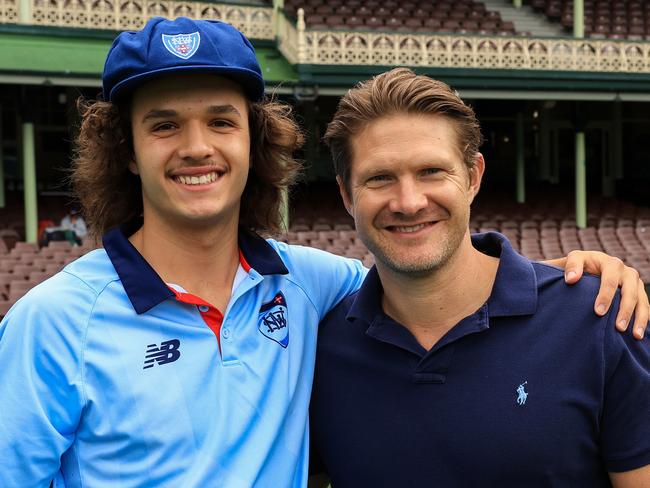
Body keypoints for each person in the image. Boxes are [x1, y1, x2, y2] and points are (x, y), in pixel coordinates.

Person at [0, 19, 644, 488]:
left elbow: (433, 269)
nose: (197, 147)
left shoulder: (316, 287)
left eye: (221, 121)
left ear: (253, 143)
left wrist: (580, 271)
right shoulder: (50, 323)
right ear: (128, 151)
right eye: (164, 124)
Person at [310, 68, 650, 487]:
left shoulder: (598, 320)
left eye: (432, 171)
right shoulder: (319, 349)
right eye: (380, 178)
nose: (409, 202)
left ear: (473, 176)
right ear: (346, 195)